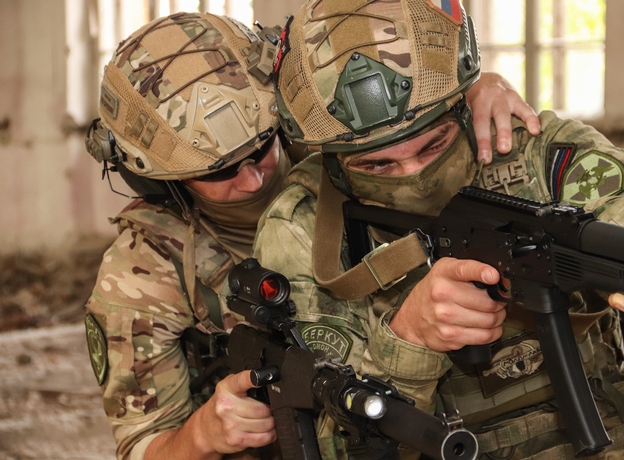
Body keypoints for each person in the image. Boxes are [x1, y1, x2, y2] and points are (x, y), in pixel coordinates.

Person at [255, 0, 624, 459]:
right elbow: (331, 440)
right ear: (332, 160)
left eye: (434, 145)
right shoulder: (301, 228)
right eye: (377, 165)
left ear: (462, 107)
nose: (414, 176)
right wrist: (410, 337)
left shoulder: (526, 145)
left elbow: (623, 199)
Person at [82, 11, 539, 460]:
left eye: (261, 147)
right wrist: (202, 434)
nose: (253, 181)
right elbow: (142, 444)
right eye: (218, 172)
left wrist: (477, 88)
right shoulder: (143, 271)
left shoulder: (325, 143)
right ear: (158, 180)